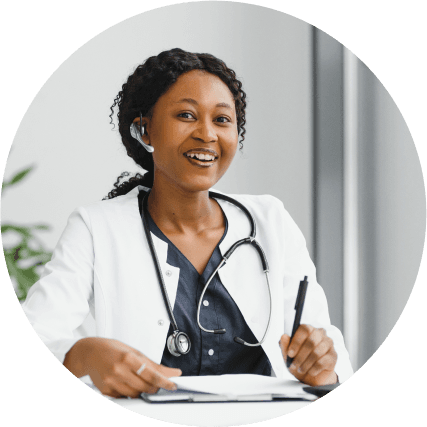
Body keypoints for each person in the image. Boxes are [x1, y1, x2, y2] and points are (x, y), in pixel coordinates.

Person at [22, 48, 353, 398]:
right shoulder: (95, 229)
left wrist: (323, 372)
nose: (207, 134)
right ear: (144, 131)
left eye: (222, 120)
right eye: (186, 115)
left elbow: (326, 360)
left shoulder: (271, 222)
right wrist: (84, 355)